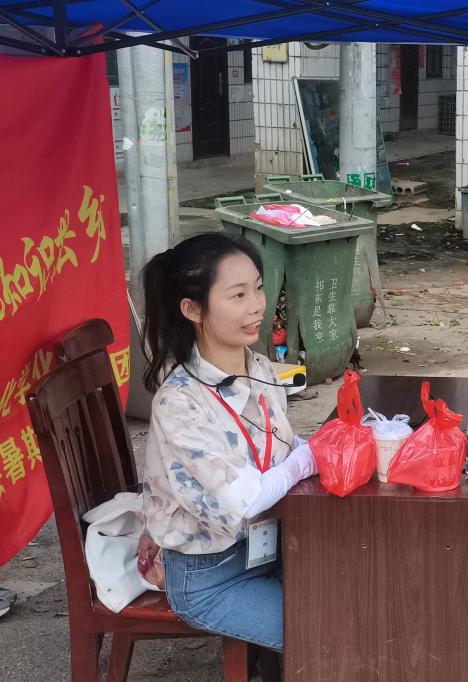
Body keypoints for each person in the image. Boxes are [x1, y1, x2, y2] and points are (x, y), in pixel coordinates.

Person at [135, 233, 319, 652]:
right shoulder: (180, 403)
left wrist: (315, 451)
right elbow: (246, 501)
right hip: (210, 577)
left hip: (270, 546)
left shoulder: (261, 368)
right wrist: (306, 461)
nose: (256, 305)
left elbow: (280, 449)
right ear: (192, 309)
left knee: (366, 591)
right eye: (237, 295)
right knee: (329, 634)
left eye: (258, 288)